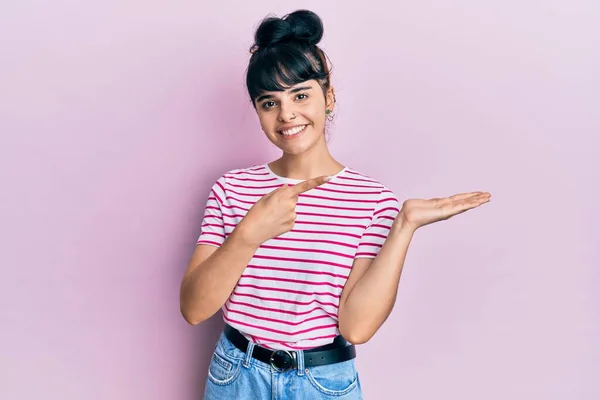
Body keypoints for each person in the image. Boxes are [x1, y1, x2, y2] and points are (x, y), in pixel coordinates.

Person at [180, 9, 491, 400]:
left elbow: (356, 328)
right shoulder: (232, 189)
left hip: (321, 383)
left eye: (300, 95)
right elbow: (194, 309)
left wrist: (404, 225)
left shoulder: (374, 202)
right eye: (268, 102)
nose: (287, 114)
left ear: (328, 97)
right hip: (236, 377)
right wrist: (248, 235)